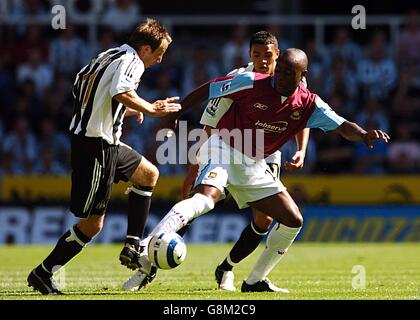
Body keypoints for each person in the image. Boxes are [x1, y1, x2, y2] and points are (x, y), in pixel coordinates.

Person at [128, 48, 390, 293]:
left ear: (303, 76)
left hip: (254, 163)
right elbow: (211, 89)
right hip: (223, 148)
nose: (280, 76)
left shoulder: (310, 104)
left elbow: (342, 125)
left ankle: (254, 280)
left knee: (292, 220)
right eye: (280, 70)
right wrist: (179, 110)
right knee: (205, 200)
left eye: (289, 72)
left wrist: (363, 134)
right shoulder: (250, 81)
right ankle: (147, 246)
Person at [122, 31, 311, 292]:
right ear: (249, 56)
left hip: (266, 154)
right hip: (227, 149)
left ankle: (228, 269)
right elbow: (209, 125)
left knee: (265, 220)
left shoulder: (291, 76)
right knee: (197, 204)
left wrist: (301, 149)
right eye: (257, 56)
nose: (263, 62)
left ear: (278, 54)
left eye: (268, 56)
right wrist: (194, 166)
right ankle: (146, 267)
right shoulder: (238, 79)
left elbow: (303, 114)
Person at [27, 18, 181, 295]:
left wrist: (122, 110)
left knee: (149, 174)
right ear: (145, 49)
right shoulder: (132, 61)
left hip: (103, 140)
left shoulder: (109, 53)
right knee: (92, 224)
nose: (160, 60)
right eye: (159, 53)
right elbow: (121, 90)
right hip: (95, 145)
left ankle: (132, 245)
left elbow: (81, 84)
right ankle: (43, 273)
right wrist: (148, 108)